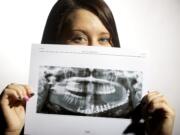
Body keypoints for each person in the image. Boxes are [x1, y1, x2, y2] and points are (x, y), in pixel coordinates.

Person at [0, 0, 175, 135]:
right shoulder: (23, 116)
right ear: (54, 42)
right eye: (78, 38)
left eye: (104, 39)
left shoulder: (142, 120)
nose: (93, 49)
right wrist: (11, 131)